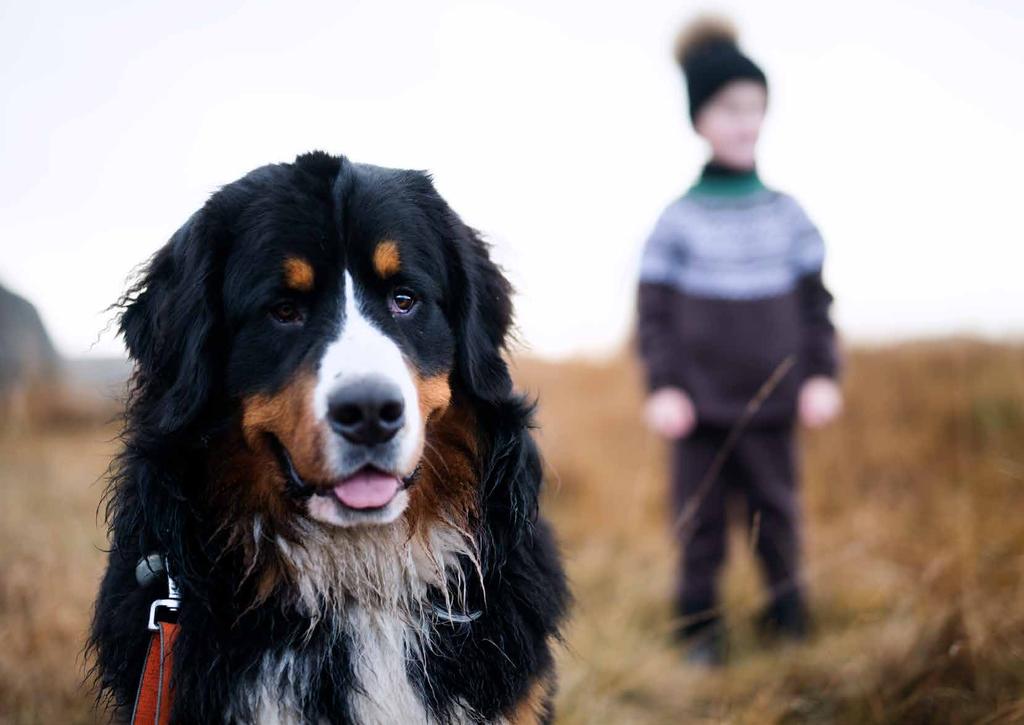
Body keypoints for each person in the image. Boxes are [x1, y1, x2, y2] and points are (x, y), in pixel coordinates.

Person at [636, 16, 843, 665]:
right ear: (701, 119)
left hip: (774, 404)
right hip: (696, 410)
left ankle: (788, 620)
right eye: (730, 109)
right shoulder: (678, 219)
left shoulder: (789, 215)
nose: (745, 121)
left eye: (755, 107)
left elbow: (817, 307)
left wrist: (821, 374)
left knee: (777, 517)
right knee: (700, 527)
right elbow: (654, 316)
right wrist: (664, 386)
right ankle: (699, 630)